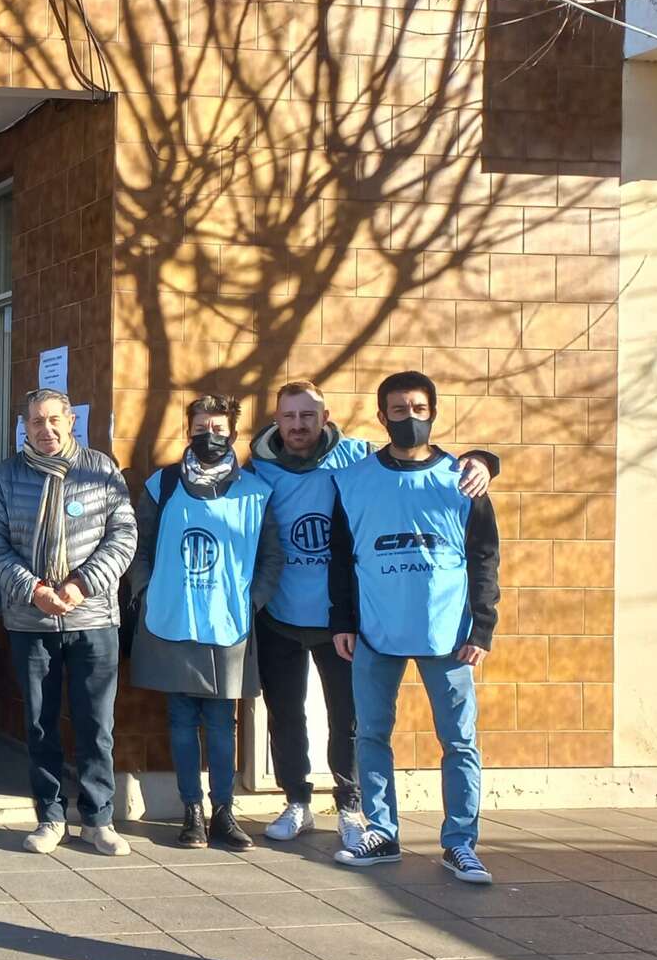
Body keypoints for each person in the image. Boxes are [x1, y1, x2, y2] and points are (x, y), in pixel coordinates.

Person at [247, 380, 495, 847]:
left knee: (352, 720)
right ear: (277, 420)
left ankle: (351, 806)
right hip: (280, 614)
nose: (298, 425)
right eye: (289, 416)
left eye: (308, 415)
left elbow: (420, 455)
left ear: (325, 418)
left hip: (346, 622)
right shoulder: (257, 469)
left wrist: (484, 459)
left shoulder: (353, 458)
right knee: (285, 714)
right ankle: (296, 801)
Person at [330, 371, 502, 884]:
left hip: (448, 634)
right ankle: (381, 833)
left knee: (459, 742)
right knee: (372, 736)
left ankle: (460, 844)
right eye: (398, 411)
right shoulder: (354, 480)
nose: (409, 419)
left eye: (419, 409)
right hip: (375, 631)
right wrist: (343, 620)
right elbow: (341, 557)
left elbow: (485, 558)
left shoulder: (463, 479)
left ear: (434, 412)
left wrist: (483, 628)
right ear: (382, 417)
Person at [0, 388, 137, 857]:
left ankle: (97, 820)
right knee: (40, 724)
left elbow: (124, 535)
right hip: (31, 620)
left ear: (70, 421)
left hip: (93, 617)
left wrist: (80, 586)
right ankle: (49, 817)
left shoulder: (102, 470)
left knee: (95, 724)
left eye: (53, 421)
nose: (45, 430)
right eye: (35, 422)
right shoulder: (7, 476)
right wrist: (34, 590)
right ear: (23, 426)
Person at [126, 395, 282, 851]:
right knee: (179, 717)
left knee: (220, 720)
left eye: (218, 428)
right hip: (174, 615)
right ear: (188, 430)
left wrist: (251, 602)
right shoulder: (164, 484)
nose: (208, 436)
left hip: (228, 622)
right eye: (199, 427)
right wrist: (147, 591)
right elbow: (140, 545)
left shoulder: (254, 491)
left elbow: (273, 555)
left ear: (233, 433)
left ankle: (224, 812)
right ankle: (191, 811)